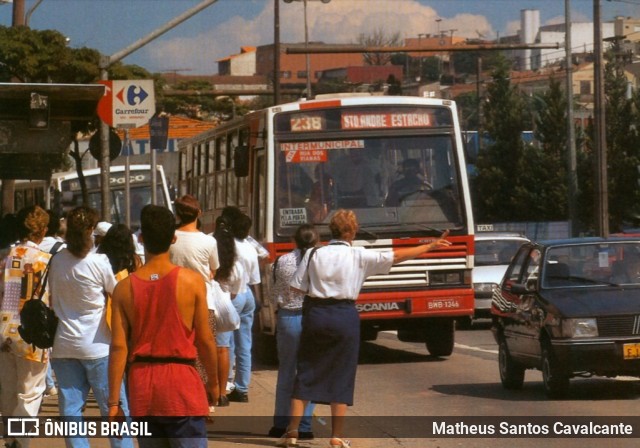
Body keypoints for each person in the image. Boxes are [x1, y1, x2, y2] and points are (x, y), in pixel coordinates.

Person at [278, 209, 450, 448]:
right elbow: (397, 255)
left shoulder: (314, 253)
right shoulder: (360, 255)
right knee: (342, 375)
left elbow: (298, 288)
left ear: (332, 230)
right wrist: (429, 246)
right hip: (345, 316)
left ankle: (293, 432)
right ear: (352, 232)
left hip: (317, 314)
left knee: (306, 371)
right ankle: (336, 437)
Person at [108, 205, 218, 447]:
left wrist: (114, 403)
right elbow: (205, 339)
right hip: (182, 385)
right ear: (173, 238)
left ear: (141, 238)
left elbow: (118, 348)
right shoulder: (192, 282)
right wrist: (214, 383)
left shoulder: (123, 289)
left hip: (142, 387)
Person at [48, 206, 133, 448]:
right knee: (114, 408)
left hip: (64, 345)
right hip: (98, 347)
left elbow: (54, 297)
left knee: (71, 411)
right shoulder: (99, 262)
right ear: (91, 231)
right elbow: (117, 294)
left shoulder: (56, 261)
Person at [0, 206, 52, 448]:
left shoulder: (4, 256)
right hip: (32, 334)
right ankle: (20, 440)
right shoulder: (47, 261)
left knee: (8, 390)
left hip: (3, 330)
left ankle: (10, 436)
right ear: (42, 231)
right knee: (30, 392)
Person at [168, 195, 220, 407]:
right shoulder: (209, 241)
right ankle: (202, 400)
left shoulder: (170, 238)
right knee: (204, 351)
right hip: (204, 302)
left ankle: (178, 398)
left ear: (177, 214)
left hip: (174, 303)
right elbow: (213, 270)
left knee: (177, 352)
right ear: (199, 214)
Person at [268, 224, 318, 440]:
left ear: (294, 241)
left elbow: (273, 293)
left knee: (286, 372)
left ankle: (280, 424)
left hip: (288, 318)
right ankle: (304, 425)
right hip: (313, 318)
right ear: (316, 242)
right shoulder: (320, 262)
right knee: (309, 373)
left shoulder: (281, 261)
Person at [224, 209, 260, 403]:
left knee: (227, 342)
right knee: (245, 343)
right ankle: (242, 387)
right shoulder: (250, 248)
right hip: (248, 294)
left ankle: (227, 382)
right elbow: (255, 279)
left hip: (233, 293)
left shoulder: (230, 245)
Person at [211, 214, 244, 407]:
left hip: (205, 305)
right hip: (223, 308)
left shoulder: (208, 259)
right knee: (223, 350)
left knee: (203, 347)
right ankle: (222, 393)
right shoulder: (235, 266)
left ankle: (208, 390)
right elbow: (235, 293)